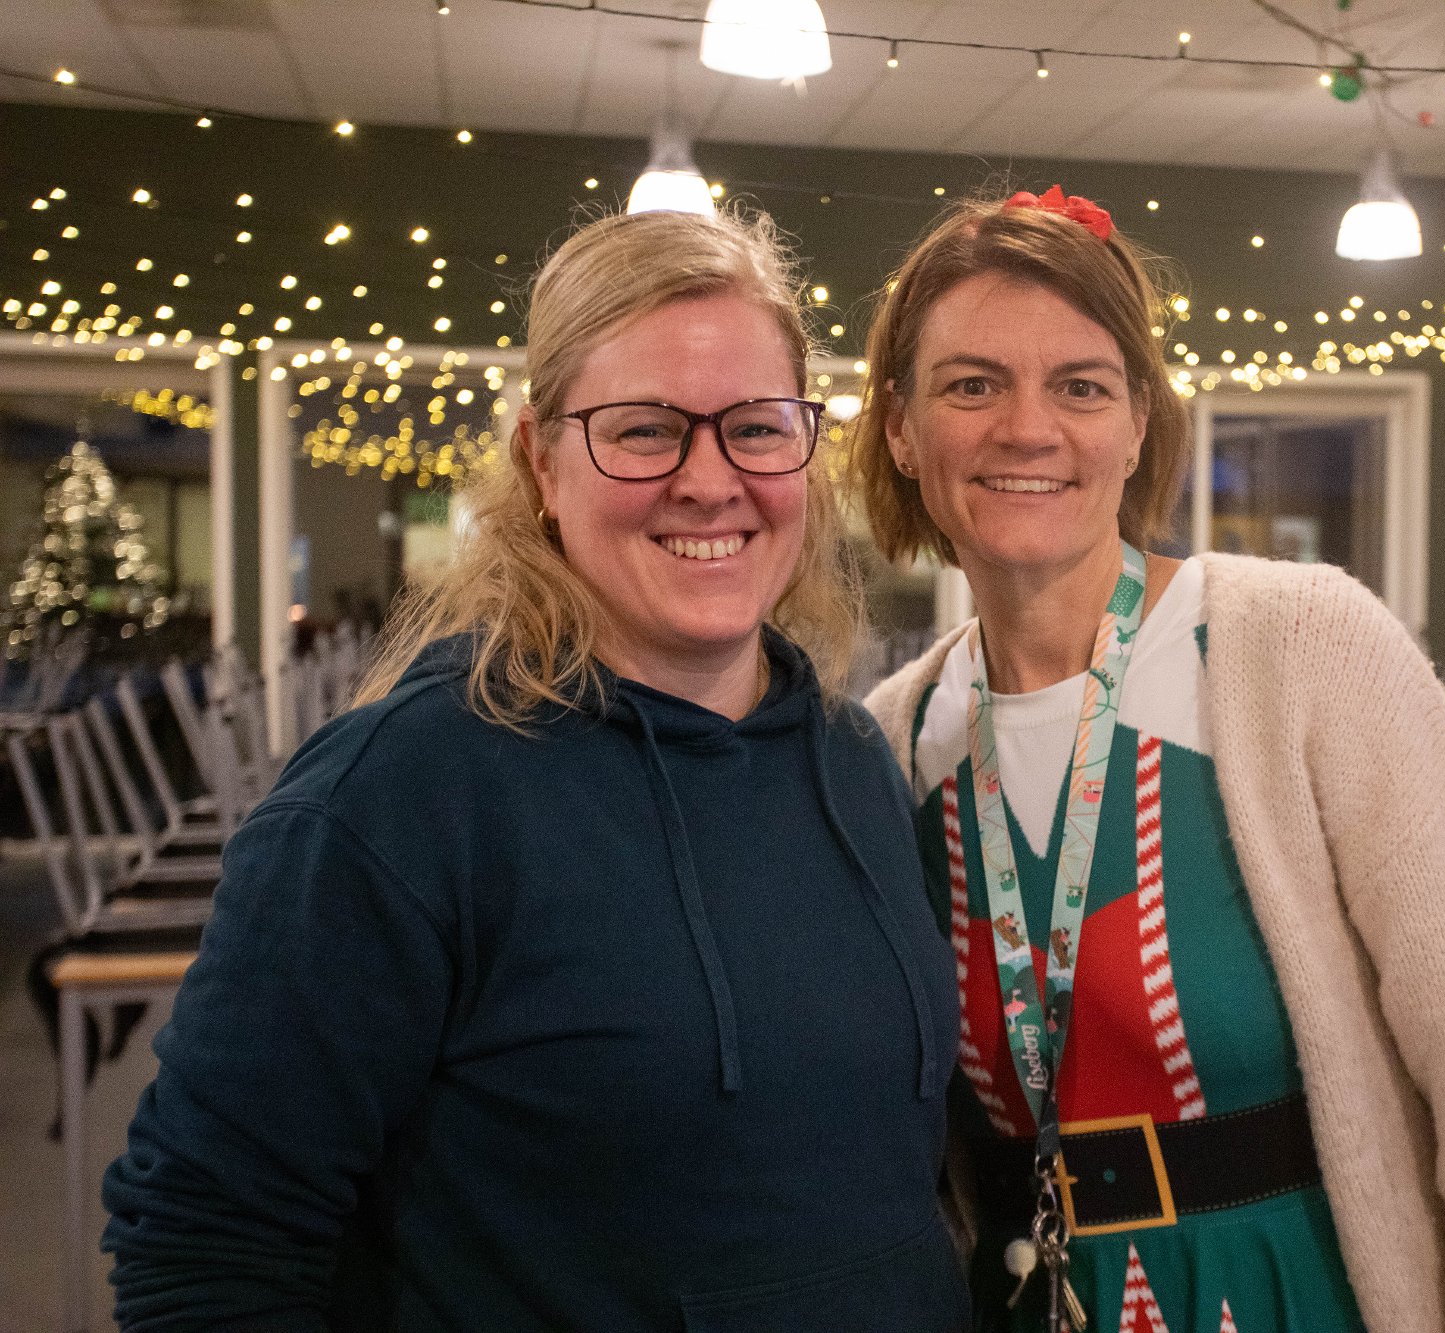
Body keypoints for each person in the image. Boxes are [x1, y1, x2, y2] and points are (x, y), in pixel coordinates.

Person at [101, 208, 970, 1332]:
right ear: (539, 463)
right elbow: (203, 1248)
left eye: (756, 428)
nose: (710, 481)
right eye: (645, 430)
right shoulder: (403, 794)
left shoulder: (852, 761)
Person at [852, 187, 1445, 1333]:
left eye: (1081, 385)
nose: (1027, 427)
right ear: (901, 430)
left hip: (1284, 1292)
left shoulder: (1299, 647)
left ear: (1136, 424)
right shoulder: (894, 735)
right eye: (971, 385)